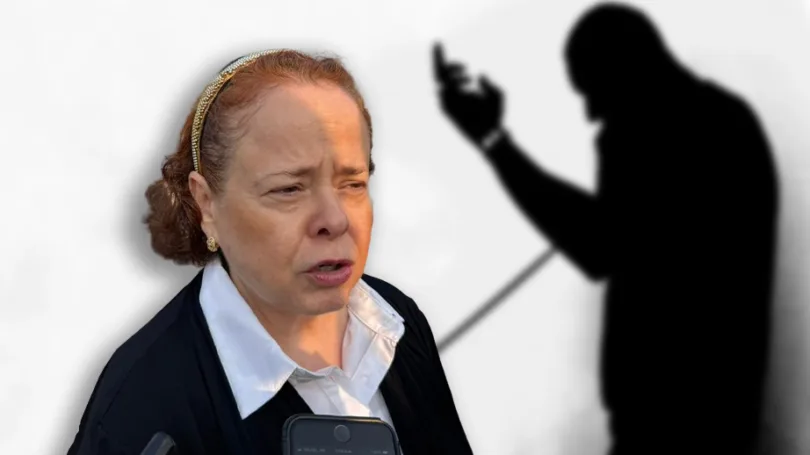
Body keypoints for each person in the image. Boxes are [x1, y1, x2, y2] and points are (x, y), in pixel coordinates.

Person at [67, 49, 473, 455]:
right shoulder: (140, 408)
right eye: (289, 189)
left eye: (353, 183)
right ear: (207, 204)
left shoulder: (398, 322)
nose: (335, 220)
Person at [433, 3, 778, 455]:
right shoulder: (723, 121)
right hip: (705, 411)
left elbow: (600, 245)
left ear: (627, 72)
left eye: (596, 94)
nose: (593, 116)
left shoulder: (658, 130)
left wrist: (495, 142)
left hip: (671, 418)